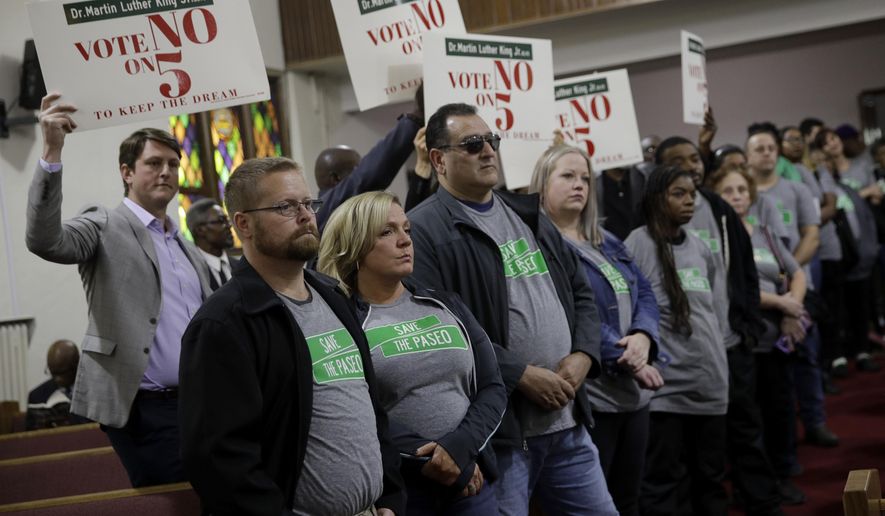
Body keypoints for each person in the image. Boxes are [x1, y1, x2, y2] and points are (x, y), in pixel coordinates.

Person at [408, 103, 616, 516]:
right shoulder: (425, 230)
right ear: (438, 160)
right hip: (503, 434)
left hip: (568, 421)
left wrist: (584, 355)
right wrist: (518, 374)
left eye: (491, 141)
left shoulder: (527, 213)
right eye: (472, 144)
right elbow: (443, 331)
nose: (488, 151)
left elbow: (581, 290)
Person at [179, 158, 404, 516]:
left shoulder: (333, 295)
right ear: (244, 224)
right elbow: (220, 460)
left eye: (307, 203)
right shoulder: (225, 323)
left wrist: (390, 496)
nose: (305, 216)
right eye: (285, 207)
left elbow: (370, 411)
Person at [26, 93, 211, 486]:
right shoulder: (103, 224)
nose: (166, 172)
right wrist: (52, 151)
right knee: (178, 499)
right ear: (127, 172)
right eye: (154, 163)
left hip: (202, 403)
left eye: (173, 164)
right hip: (144, 407)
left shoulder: (186, 248)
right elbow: (45, 240)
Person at [318, 191, 507, 515]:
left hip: (469, 479)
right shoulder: (341, 322)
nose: (405, 241)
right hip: (403, 489)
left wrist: (460, 448)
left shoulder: (446, 304)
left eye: (407, 229)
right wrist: (431, 460)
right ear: (356, 245)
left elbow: (492, 386)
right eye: (387, 231)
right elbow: (355, 413)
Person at [656, 137, 789, 512]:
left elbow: (744, 270)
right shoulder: (652, 223)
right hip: (683, 355)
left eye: (694, 159)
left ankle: (761, 499)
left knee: (746, 428)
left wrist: (746, 326)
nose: (692, 166)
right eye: (679, 161)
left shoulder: (718, 205)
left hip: (730, 342)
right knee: (695, 447)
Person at [529, 145, 662, 516]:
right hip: (593, 394)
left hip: (634, 393)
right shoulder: (539, 246)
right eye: (567, 177)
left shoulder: (607, 239)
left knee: (629, 498)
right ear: (542, 185)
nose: (579, 185)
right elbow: (572, 312)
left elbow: (646, 292)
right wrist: (626, 355)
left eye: (585, 178)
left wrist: (643, 336)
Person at [625, 166, 730, 516]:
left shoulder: (701, 247)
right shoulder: (637, 243)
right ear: (657, 198)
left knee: (711, 480)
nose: (689, 201)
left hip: (709, 382)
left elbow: (718, 312)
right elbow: (628, 312)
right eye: (678, 194)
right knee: (663, 483)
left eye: (692, 194)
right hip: (664, 389)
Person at [708, 165, 813, 507]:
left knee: (781, 410)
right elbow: (732, 288)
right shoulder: (716, 237)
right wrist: (782, 303)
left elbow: (795, 273)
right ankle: (752, 484)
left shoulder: (764, 232)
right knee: (750, 419)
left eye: (742, 189)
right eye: (729, 190)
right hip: (744, 342)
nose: (737, 196)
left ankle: (781, 475)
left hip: (780, 337)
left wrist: (791, 309)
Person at [315, 86, 424, 231]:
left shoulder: (358, 213)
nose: (361, 170)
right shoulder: (320, 211)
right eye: (355, 169)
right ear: (335, 178)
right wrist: (415, 118)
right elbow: (366, 178)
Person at [26, 340, 90, 430]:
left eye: (62, 373)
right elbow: (29, 435)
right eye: (53, 373)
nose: (57, 379)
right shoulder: (37, 396)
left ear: (77, 364)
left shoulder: (95, 389)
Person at [186, 198, 234, 291]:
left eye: (227, 220)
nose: (229, 225)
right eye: (221, 221)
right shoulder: (190, 271)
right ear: (200, 230)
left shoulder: (241, 267)